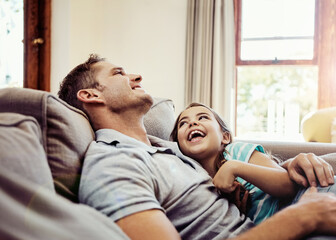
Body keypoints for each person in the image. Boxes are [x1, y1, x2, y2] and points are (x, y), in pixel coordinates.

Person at [58, 54, 336, 240]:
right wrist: (303, 218)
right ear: (91, 95)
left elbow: (228, 163)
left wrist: (291, 165)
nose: (137, 77)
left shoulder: (168, 149)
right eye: (119, 73)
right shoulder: (113, 165)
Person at [170, 102, 334, 224]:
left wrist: (234, 167)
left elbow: (287, 185)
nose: (192, 123)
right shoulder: (190, 178)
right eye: (183, 123)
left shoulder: (235, 152)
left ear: (225, 137)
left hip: (313, 195)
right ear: (177, 144)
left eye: (203, 117)